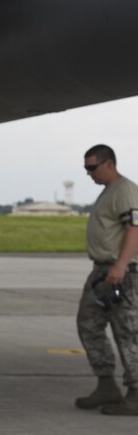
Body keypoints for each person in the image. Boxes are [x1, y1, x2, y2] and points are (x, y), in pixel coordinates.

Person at [75, 144, 138, 416]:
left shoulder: (125, 190)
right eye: (86, 168)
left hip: (120, 271)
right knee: (88, 323)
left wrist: (121, 265)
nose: (89, 173)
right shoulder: (107, 192)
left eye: (93, 167)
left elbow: (134, 228)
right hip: (101, 271)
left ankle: (136, 393)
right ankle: (106, 385)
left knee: (128, 332)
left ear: (109, 163)